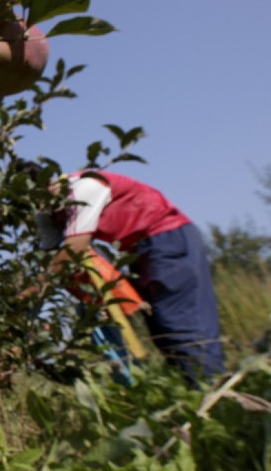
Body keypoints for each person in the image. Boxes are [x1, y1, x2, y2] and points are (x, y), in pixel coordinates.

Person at [24, 164, 225, 385]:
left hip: (167, 238)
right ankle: (198, 398)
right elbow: (49, 259)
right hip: (140, 251)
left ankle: (216, 397)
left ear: (44, 184)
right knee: (162, 330)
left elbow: (73, 249)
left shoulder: (82, 187)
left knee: (182, 326)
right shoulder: (48, 214)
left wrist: (22, 297)